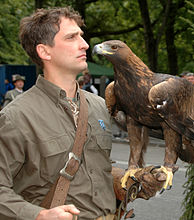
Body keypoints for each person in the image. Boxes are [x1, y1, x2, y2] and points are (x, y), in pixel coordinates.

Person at [0, 7, 163, 220]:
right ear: (44, 51)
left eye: (82, 36)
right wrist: (39, 215)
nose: (85, 44)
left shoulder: (98, 105)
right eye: (71, 37)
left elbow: (93, 169)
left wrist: (127, 182)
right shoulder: (17, 116)